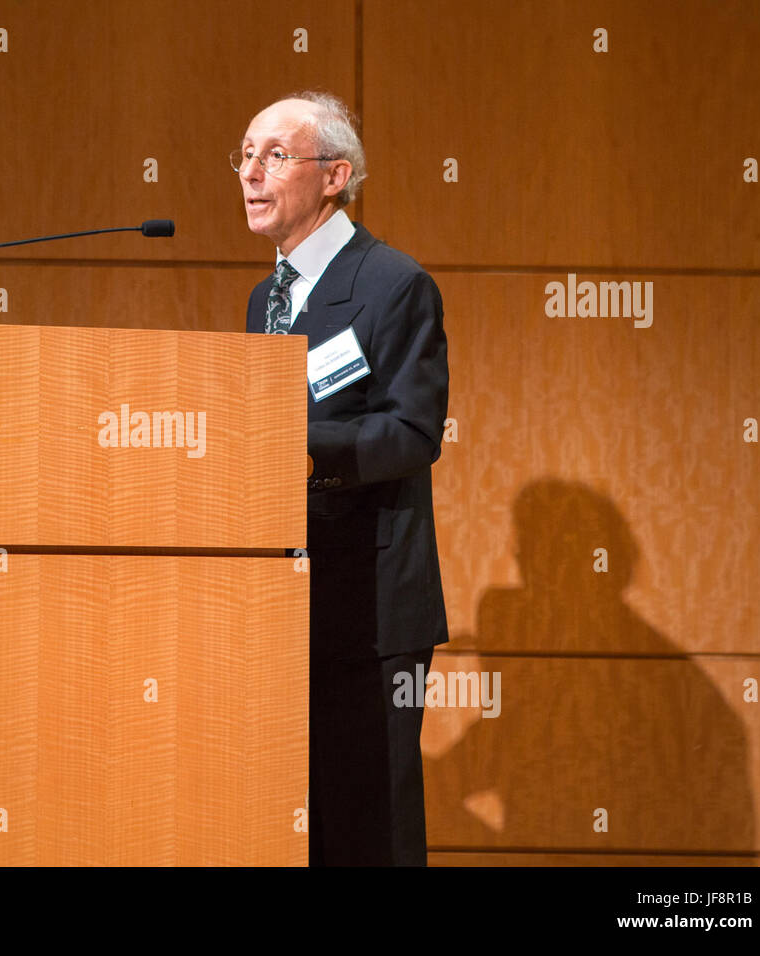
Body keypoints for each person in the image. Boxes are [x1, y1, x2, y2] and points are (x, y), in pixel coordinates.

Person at [236, 92, 450, 866]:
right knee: (302, 831)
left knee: (369, 830)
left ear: (335, 176)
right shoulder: (267, 299)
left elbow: (412, 433)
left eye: (274, 156)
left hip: (369, 608)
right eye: (246, 155)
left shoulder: (394, 284)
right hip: (281, 602)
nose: (251, 174)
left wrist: (290, 447)